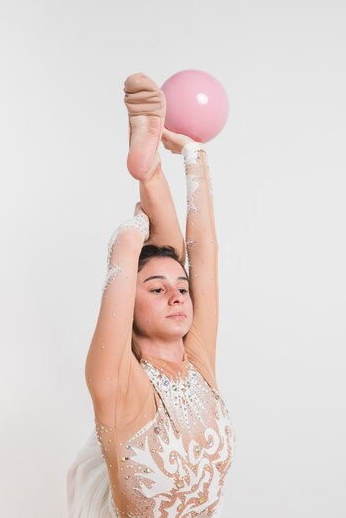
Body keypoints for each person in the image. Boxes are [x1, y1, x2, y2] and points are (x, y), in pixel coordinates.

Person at [67, 73, 235, 518]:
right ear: (129, 310)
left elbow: (204, 257)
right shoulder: (121, 391)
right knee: (160, 256)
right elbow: (124, 274)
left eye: (182, 290)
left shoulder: (197, 361)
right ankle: (147, 168)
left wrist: (195, 156)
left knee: (172, 257)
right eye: (158, 292)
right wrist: (129, 234)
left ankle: (148, 165)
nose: (178, 297)